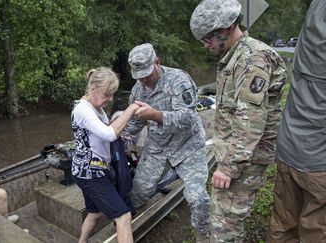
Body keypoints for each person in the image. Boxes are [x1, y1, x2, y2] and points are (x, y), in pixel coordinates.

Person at [190, 0, 287, 242]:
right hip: (237, 154)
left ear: (226, 28)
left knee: (226, 227)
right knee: (222, 217)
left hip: (244, 160)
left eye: (208, 38)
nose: (205, 45)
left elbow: (251, 118)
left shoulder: (252, 58)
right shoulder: (234, 57)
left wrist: (228, 167)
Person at [125, 43, 210, 242]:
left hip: (187, 147)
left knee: (198, 198)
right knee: (138, 194)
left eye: (147, 73)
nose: (144, 80)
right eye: (139, 76)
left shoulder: (178, 80)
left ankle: (203, 236)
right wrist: (116, 132)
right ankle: (126, 225)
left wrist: (155, 115)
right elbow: (135, 123)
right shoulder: (138, 90)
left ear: (158, 62)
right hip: (158, 148)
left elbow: (188, 119)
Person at [266, 1, 326, 242]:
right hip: (319, 162)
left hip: (288, 149)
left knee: (282, 222)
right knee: (316, 230)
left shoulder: (312, 26)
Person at [71, 67, 139, 243]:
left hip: (94, 170)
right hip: (89, 173)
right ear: (93, 89)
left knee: (94, 213)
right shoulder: (82, 110)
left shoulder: (97, 107)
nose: (111, 99)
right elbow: (109, 134)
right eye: (107, 94)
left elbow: (103, 132)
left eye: (112, 94)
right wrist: (130, 110)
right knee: (123, 217)